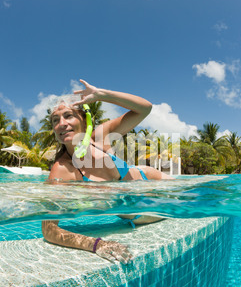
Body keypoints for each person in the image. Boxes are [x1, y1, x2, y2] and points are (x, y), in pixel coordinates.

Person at [42, 79, 173, 264]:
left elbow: (145, 108)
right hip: (146, 211)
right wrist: (96, 244)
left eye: (68, 116)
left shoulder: (99, 137)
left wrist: (103, 95)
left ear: (85, 119)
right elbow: (49, 230)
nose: (61, 124)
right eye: (56, 120)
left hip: (151, 176)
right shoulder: (63, 170)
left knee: (202, 195)